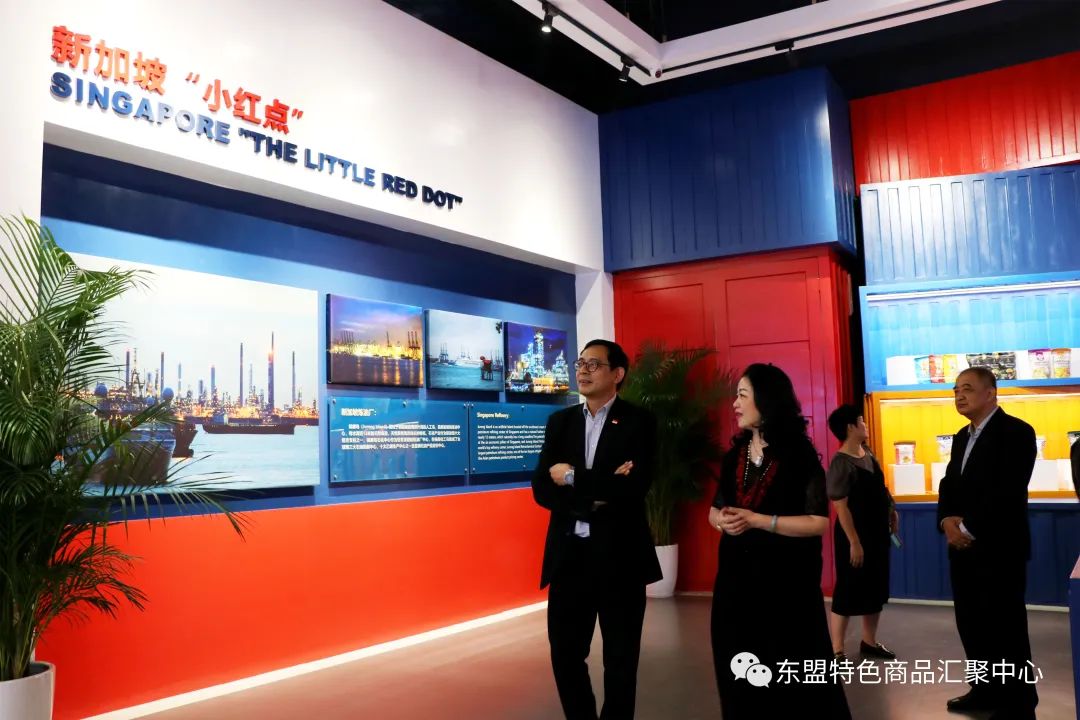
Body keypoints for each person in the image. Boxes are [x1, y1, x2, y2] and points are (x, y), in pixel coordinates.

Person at [709, 363, 851, 719]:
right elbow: (714, 511)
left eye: (742, 395)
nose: (735, 404)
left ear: (766, 400)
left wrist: (760, 521)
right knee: (739, 670)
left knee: (790, 678)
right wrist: (724, 522)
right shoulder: (733, 457)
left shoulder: (799, 457)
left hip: (786, 591)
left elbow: (818, 523)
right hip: (735, 587)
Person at [531, 339, 660, 720]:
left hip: (621, 558)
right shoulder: (560, 422)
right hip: (569, 557)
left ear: (617, 374)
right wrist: (596, 493)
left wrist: (572, 476)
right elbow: (541, 487)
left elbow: (632, 488)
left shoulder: (639, 422)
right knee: (565, 655)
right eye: (580, 363)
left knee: (620, 660)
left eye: (594, 364)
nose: (583, 371)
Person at [937, 366, 1038, 720]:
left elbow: (1007, 491)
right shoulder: (961, 437)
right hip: (962, 551)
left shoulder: (1017, 432)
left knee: (1006, 629)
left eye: (966, 388)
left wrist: (967, 528)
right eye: (955, 390)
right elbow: (949, 484)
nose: (959, 395)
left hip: (999, 549)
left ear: (991, 392)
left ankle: (1018, 703)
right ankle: (984, 691)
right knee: (972, 624)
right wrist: (946, 520)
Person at [825, 404, 897, 662]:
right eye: (861, 421)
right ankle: (837, 649)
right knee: (847, 589)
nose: (865, 425)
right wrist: (854, 542)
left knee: (875, 586)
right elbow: (841, 508)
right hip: (853, 535)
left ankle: (869, 641)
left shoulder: (868, 452)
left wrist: (892, 511)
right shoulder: (840, 463)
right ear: (850, 427)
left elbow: (881, 488)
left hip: (877, 532)